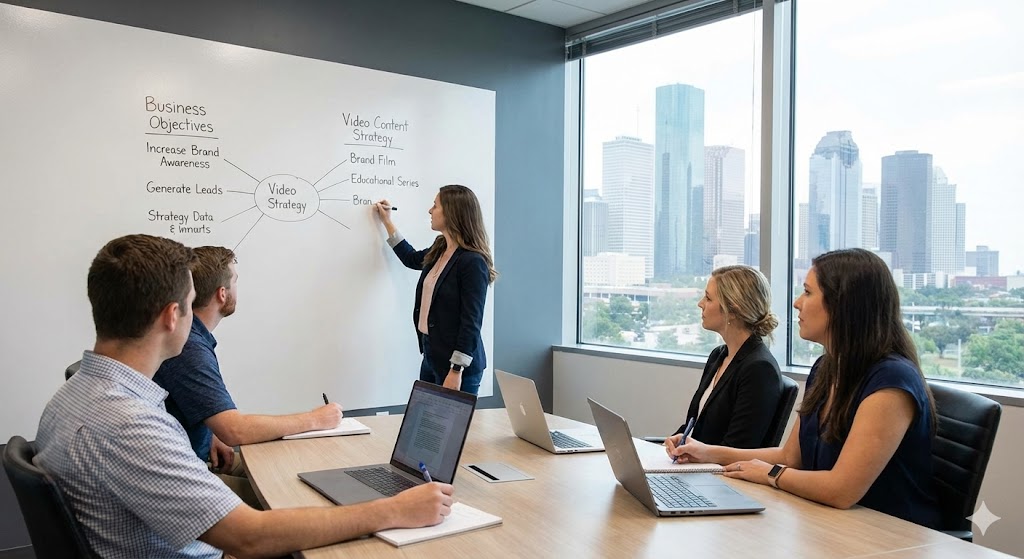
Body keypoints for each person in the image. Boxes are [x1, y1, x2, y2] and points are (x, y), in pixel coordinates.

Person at [34, 234, 454, 558]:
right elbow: (249, 537)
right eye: (188, 301)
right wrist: (395, 509)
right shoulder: (127, 425)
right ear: (171, 315)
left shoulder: (75, 394)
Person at [667, 248, 940, 529]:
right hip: (828, 522)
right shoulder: (825, 368)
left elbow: (841, 490)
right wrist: (706, 452)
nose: (797, 303)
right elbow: (790, 457)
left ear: (843, 304)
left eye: (808, 293)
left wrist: (771, 474)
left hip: (886, 533)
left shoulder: (892, 380)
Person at [152, 246, 341, 506]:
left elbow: (204, 414)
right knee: (295, 498)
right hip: (188, 477)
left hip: (198, 454)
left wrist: (211, 435)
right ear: (222, 294)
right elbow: (235, 431)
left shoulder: (194, 338)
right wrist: (315, 419)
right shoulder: (191, 348)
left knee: (287, 474)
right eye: (235, 281)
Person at [374, 185, 496, 395]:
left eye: (435, 206)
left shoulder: (472, 262)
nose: (430, 211)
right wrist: (387, 221)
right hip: (432, 355)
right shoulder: (440, 248)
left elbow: (471, 322)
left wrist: (456, 369)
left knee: (450, 427)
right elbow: (411, 258)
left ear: (451, 212)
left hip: (457, 365)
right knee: (429, 424)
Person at [665, 265, 783, 448]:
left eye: (708, 298)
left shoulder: (759, 369)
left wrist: (694, 454)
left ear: (733, 311)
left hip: (719, 473)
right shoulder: (718, 355)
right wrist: (675, 442)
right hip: (696, 467)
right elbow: (696, 425)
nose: (700, 303)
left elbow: (739, 447)